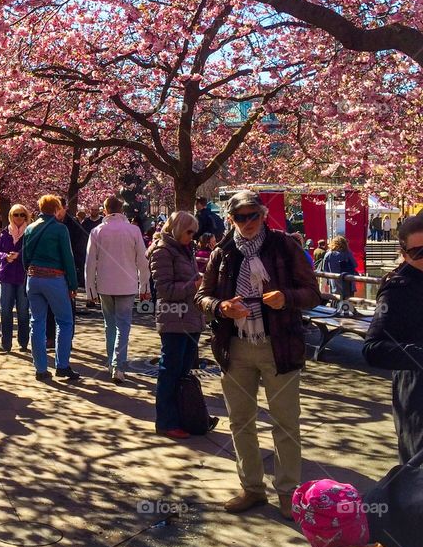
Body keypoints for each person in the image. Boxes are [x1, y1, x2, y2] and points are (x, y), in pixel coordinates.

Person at [196, 189, 321, 520]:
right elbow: (202, 296)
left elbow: (313, 293)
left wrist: (287, 299)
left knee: (285, 422)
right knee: (240, 421)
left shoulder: (284, 245)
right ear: (231, 219)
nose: (248, 222)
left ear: (264, 216)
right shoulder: (222, 253)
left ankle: (287, 491)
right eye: (240, 217)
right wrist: (221, 306)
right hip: (234, 347)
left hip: (277, 345)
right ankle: (252, 488)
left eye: (254, 215)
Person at [363, 214, 423, 464]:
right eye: (420, 252)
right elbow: (373, 348)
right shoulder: (398, 289)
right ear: (405, 253)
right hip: (418, 397)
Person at [148, 212, 205, 440]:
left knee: (182, 372)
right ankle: (166, 421)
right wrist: (195, 285)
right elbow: (165, 290)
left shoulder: (183, 249)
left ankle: (181, 417)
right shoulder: (163, 251)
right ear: (178, 228)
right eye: (189, 231)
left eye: (194, 233)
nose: (192, 237)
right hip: (174, 319)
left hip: (190, 318)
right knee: (170, 371)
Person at [85, 196, 151, 384]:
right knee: (123, 325)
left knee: (110, 324)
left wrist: (90, 289)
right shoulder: (133, 230)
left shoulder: (97, 231)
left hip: (105, 284)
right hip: (127, 284)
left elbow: (90, 262)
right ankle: (118, 365)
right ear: (122, 210)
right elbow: (142, 260)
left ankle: (111, 362)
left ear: (105, 210)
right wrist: (144, 285)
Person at [23, 195, 80, 382]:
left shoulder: (30, 228)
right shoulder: (60, 229)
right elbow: (68, 258)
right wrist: (72, 283)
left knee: (36, 322)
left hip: (33, 278)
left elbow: (25, 257)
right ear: (56, 209)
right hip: (54, 278)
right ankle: (62, 365)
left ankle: (40, 368)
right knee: (64, 322)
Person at [0, 204, 30, 354]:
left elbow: (32, 252)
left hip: (22, 276)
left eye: (22, 214)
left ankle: (23, 342)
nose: (19, 218)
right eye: (16, 214)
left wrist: (19, 256)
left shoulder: (29, 233)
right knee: (5, 311)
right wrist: (5, 257)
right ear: (10, 216)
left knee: (23, 311)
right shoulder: (4, 234)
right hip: (6, 276)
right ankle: (6, 343)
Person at [323, 235, 358, 301]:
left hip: (334, 284)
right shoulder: (348, 253)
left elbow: (324, 269)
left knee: (335, 303)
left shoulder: (328, 254)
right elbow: (355, 265)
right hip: (348, 284)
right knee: (348, 304)